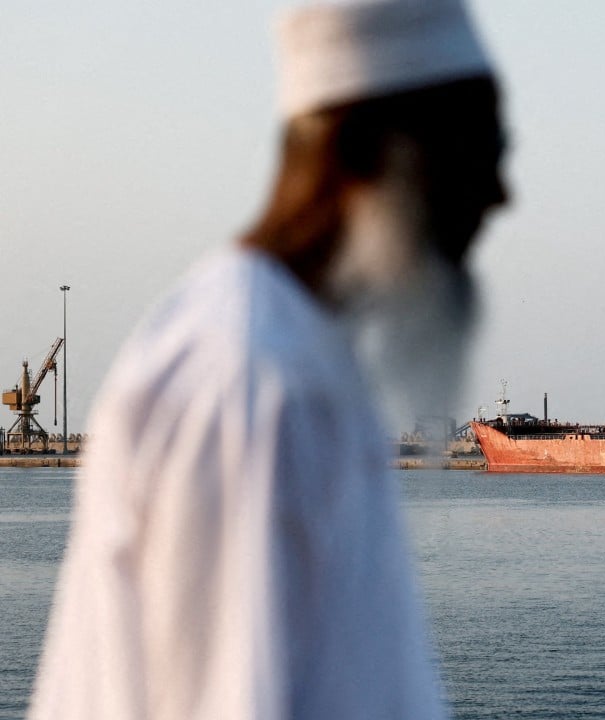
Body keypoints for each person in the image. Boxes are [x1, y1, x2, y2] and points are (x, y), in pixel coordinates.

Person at [27, 0, 505, 718]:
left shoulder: (292, 358)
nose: (498, 195)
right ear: (370, 146)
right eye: (479, 155)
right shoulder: (250, 379)